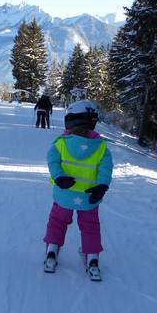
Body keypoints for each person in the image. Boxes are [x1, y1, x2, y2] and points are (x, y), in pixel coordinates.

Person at [43, 100, 113, 279]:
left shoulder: (61, 143)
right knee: (90, 226)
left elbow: (52, 161)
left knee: (57, 222)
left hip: (64, 194)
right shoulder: (101, 148)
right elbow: (106, 170)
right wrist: (102, 187)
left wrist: (59, 177)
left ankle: (52, 251)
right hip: (89, 198)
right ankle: (92, 259)